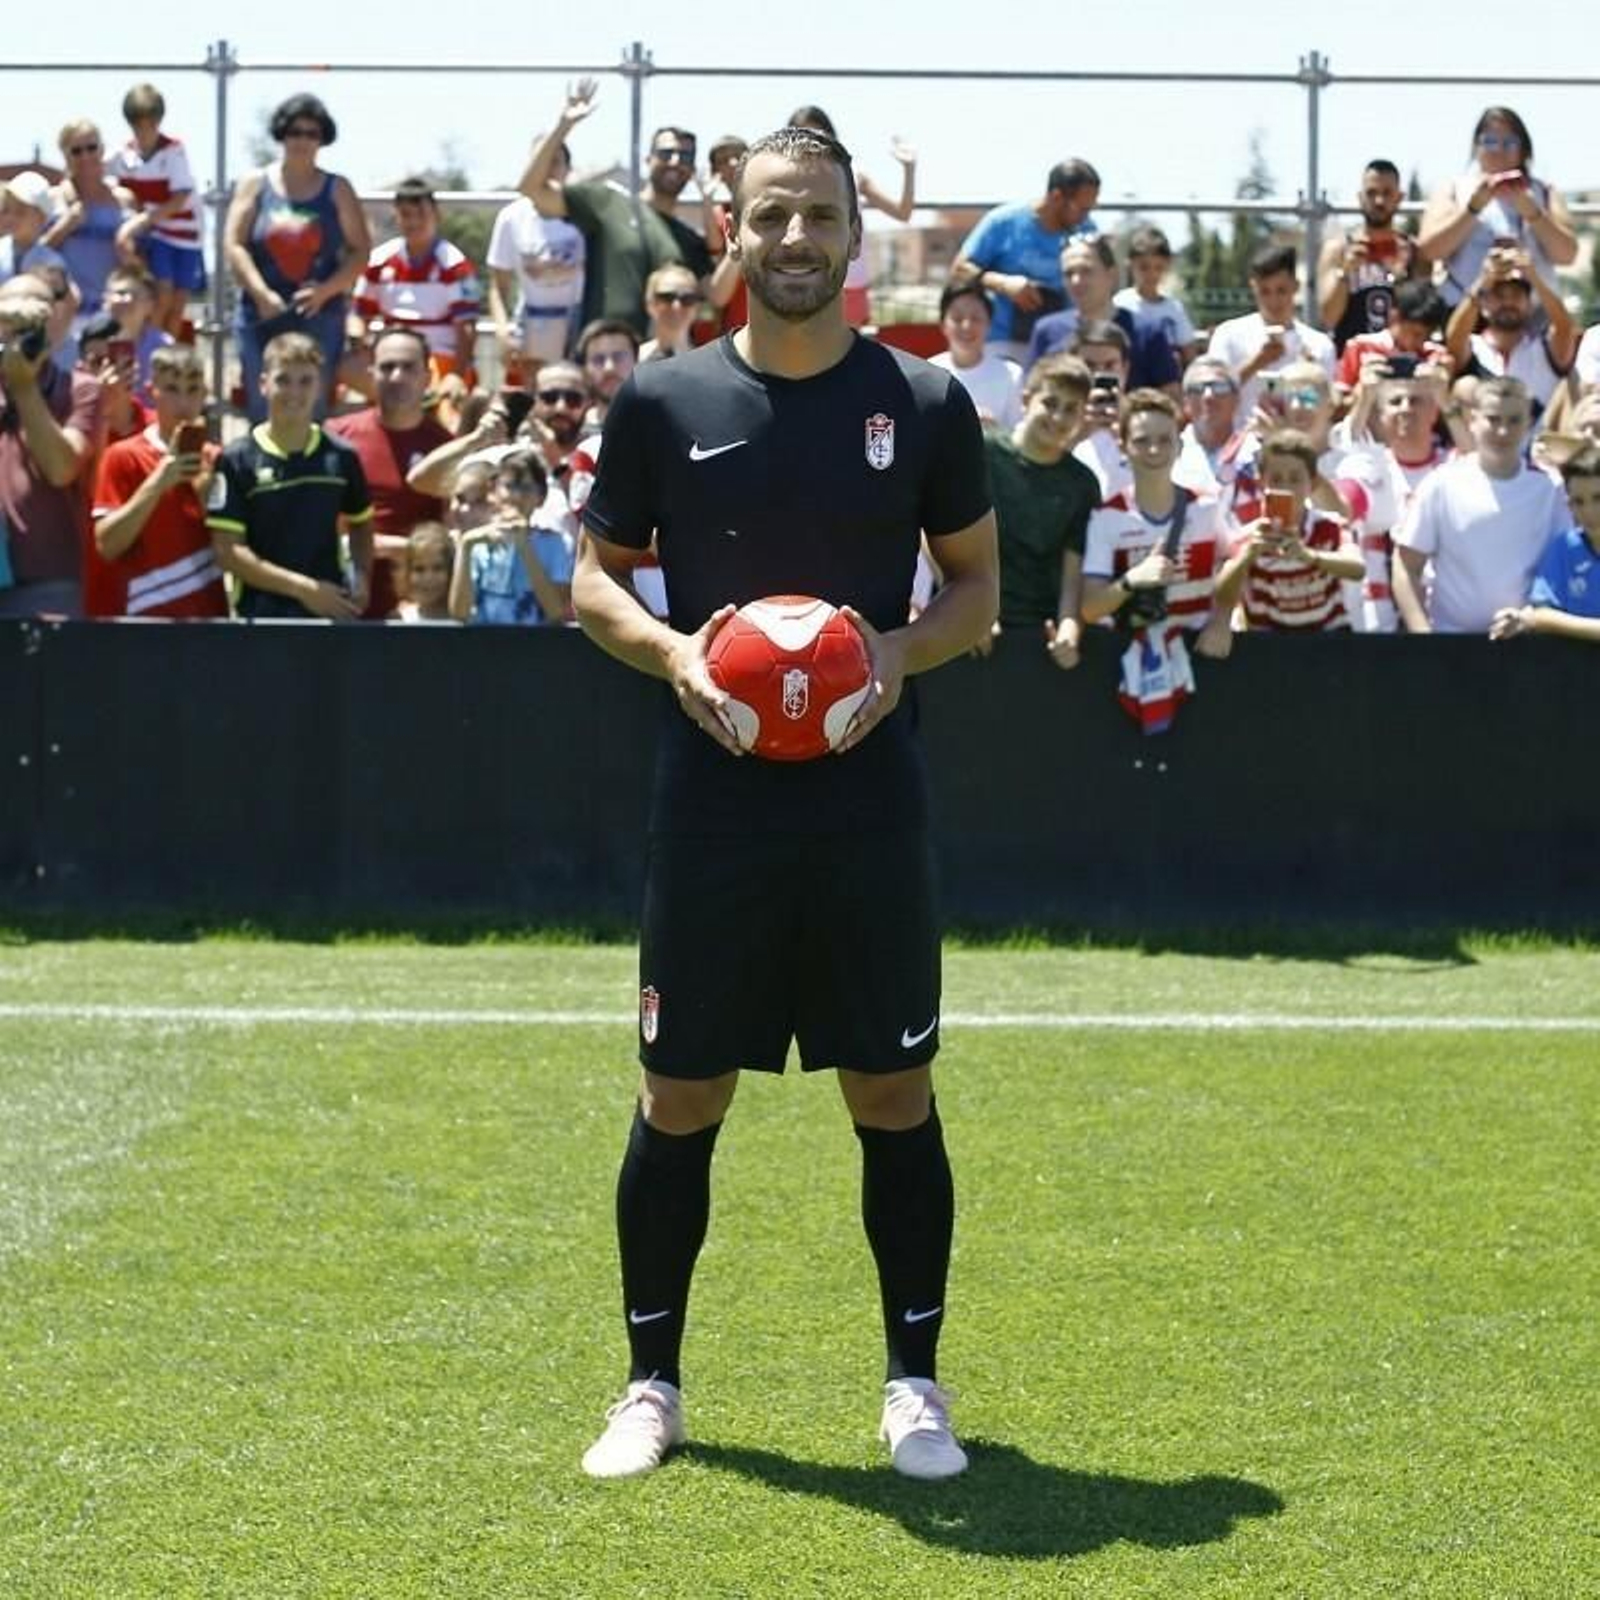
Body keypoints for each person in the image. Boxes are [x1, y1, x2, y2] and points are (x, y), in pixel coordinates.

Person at [570, 124, 997, 1481]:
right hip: (713, 804)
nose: (795, 238)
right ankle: (649, 1385)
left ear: (855, 231)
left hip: (869, 805)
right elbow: (592, 578)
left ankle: (915, 1386)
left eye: (817, 215)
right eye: (770, 215)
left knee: (893, 1089)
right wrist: (674, 652)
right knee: (679, 1093)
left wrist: (897, 652)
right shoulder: (662, 399)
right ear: (730, 230)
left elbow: (978, 590)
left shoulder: (923, 401)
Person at [1080, 389, 1236, 732]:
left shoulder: (1207, 508)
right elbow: (1089, 608)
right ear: (1123, 446)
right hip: (1124, 664)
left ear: (1179, 446)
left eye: (1164, 440)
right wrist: (1132, 580)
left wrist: (1222, 618)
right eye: (1142, 440)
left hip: (1201, 657)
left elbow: (1233, 565)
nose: (1154, 450)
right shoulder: (1106, 517)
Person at [517, 79, 717, 339]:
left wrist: (713, 206)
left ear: (692, 170)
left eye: (686, 157)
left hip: (661, 359)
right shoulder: (607, 202)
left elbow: (716, 294)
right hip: (602, 354)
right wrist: (564, 124)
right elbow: (531, 188)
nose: (675, 162)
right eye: (666, 153)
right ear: (648, 159)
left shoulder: (688, 239)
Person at [223, 94, 371, 422]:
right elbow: (234, 244)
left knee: (312, 409)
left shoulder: (337, 188)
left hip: (319, 314)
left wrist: (326, 291)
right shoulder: (255, 184)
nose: (302, 141)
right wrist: (261, 294)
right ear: (281, 134)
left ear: (322, 139)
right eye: (295, 132)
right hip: (260, 315)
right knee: (262, 407)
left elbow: (360, 250)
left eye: (311, 133)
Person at [206, 331, 373, 619]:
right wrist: (305, 590)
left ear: (320, 386)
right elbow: (228, 552)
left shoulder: (342, 455)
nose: (294, 392)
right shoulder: (236, 459)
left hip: (329, 613)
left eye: (305, 381)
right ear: (263, 384)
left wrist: (361, 576)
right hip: (262, 619)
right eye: (283, 380)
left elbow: (361, 524)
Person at [1392, 377, 1566, 634]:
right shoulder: (1442, 483)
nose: (1503, 431)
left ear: (1529, 423)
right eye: (1493, 419)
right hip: (1452, 640)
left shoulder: (1551, 488)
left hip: (1526, 641)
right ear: (1473, 420)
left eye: (1514, 420)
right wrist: (1423, 636)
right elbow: (1406, 565)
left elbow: (1565, 564)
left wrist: (1531, 619)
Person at [90, 342, 227, 619]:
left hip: (210, 621)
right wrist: (159, 481)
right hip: (147, 621)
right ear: (152, 391)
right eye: (172, 389)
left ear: (204, 395)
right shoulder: (123, 457)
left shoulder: (219, 460)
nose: (184, 403)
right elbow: (107, 545)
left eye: (193, 390)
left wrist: (206, 495)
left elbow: (233, 548)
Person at [326, 327, 453, 619]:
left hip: (418, 615)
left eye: (409, 368)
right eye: (387, 367)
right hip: (345, 605)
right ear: (371, 374)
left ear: (427, 378)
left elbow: (451, 536)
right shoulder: (337, 437)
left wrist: (399, 549)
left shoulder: (445, 447)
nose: (397, 377)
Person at [986, 352, 1097, 665]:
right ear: (1026, 400)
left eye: (1071, 409)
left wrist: (1069, 630)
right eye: (1050, 403)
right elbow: (933, 534)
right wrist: (968, 611)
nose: (1058, 417)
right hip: (974, 629)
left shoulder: (1082, 483)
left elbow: (1072, 572)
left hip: (1040, 634)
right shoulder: (982, 451)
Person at [0, 285, 103, 617]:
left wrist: (24, 387)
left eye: (25, 331)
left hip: (47, 582)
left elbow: (61, 469)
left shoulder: (80, 389)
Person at [1417, 106, 1578, 311]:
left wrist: (1534, 214)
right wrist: (1472, 209)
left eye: (1509, 143)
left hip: (1533, 314)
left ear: (1523, 149)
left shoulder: (1545, 192)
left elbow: (1567, 255)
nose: (1499, 151)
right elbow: (1429, 250)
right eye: (1490, 142)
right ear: (1477, 147)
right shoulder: (1453, 189)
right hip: (1465, 312)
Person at [949, 158, 1101, 358]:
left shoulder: (1086, 230)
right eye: (1082, 209)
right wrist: (1003, 284)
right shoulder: (1003, 222)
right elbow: (959, 269)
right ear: (1056, 197)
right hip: (1002, 344)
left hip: (1062, 343)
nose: (1086, 217)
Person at [1220, 429, 1363, 633]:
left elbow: (1357, 569)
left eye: (1295, 479)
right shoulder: (1248, 537)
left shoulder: (1330, 526)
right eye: (1276, 479)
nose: (1286, 486)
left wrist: (1307, 556)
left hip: (1327, 638)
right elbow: (1221, 594)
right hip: (1268, 643)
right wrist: (1248, 556)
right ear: (1260, 482)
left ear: (1312, 483)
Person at [787, 105, 917, 327]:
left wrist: (909, 169)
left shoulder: (854, 175)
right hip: (807, 280)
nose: (811, 141)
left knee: (849, 346)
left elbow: (902, 213)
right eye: (803, 134)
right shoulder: (784, 179)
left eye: (818, 133)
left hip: (852, 283)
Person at [351, 178, 482, 380]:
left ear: (436, 215)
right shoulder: (379, 260)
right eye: (406, 215)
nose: (413, 222)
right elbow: (358, 315)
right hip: (390, 355)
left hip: (438, 356)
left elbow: (467, 327)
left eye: (421, 214)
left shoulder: (455, 264)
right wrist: (359, 345)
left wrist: (456, 377)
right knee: (343, 368)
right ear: (396, 217)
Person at [106, 83, 206, 336]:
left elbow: (180, 197)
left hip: (187, 235)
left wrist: (139, 222)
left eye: (149, 124)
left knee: (178, 302)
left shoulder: (174, 150)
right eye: (137, 125)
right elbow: (100, 176)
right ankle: (150, 348)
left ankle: (166, 349)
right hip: (158, 235)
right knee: (162, 295)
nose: (144, 132)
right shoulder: (122, 156)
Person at [486, 141, 586, 382]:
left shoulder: (585, 214)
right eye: (541, 161)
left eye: (556, 161)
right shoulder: (512, 217)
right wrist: (502, 331)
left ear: (568, 169)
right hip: (532, 320)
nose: (548, 169)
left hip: (578, 320)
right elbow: (498, 286)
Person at [1443, 244, 1576, 420]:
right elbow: (1453, 336)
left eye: (1516, 296)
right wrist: (1484, 279)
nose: (1508, 303)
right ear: (1484, 304)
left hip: (1539, 436)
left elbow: (1565, 326)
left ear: (1529, 304)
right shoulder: (1473, 346)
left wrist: (1534, 276)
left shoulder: (1546, 348)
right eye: (1499, 296)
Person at [1206, 244, 1335, 418]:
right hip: (1242, 433)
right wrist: (1256, 363)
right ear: (1253, 288)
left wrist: (1310, 374)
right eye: (1264, 291)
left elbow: (1326, 407)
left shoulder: (1319, 344)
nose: (1273, 301)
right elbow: (1214, 393)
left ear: (1296, 286)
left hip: (1296, 434)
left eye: (1281, 291)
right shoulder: (1228, 335)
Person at [448, 445, 572, 625]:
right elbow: (460, 612)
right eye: (510, 486)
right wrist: (466, 547)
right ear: (493, 491)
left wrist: (523, 544)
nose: (516, 496)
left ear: (541, 496)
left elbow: (556, 613)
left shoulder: (553, 543)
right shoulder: (477, 542)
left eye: (526, 488)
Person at [1490, 447, 1600, 644]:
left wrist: (1543, 621)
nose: (1590, 511)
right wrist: (1525, 619)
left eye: (1598, 499)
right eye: (1578, 502)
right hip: (1572, 663)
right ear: (1568, 505)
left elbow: (1540, 619)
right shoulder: (1565, 548)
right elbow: (1542, 613)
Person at [1316, 159, 1419, 355]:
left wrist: (1402, 277)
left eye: (1387, 193)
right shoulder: (1338, 250)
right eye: (1372, 193)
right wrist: (1345, 273)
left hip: (1398, 358)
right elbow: (1328, 318)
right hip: (1349, 359)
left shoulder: (1413, 250)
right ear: (1360, 197)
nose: (1379, 201)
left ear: (1399, 198)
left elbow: (1422, 318)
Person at [43, 120, 135, 337]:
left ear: (102, 150)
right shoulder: (53, 200)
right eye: (76, 151)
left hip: (114, 314)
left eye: (91, 148)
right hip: (66, 316)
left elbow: (139, 264)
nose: (85, 156)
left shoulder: (124, 200)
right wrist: (64, 227)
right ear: (65, 156)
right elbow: (34, 255)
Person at [1023, 236, 1144, 378]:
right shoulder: (1047, 331)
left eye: (1086, 271)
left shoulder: (1145, 332)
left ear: (1111, 275)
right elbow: (1031, 388)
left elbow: (1164, 390)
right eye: (1068, 274)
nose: (1076, 281)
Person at [1113, 224, 1200, 386]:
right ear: (1130, 264)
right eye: (1144, 267)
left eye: (1158, 267)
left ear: (1167, 265)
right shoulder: (1120, 304)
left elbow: (1188, 352)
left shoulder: (1174, 308)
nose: (1151, 274)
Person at [928, 281, 1022, 428]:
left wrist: (994, 430)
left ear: (989, 324)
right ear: (943, 325)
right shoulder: (928, 372)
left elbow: (1017, 434)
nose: (967, 326)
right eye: (957, 318)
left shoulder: (1012, 375)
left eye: (976, 318)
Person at [576, 318, 639, 430]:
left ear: (637, 362)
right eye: (598, 359)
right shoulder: (572, 432)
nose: (609, 368)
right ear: (584, 369)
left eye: (619, 357)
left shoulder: (662, 428)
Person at [390, 521, 457, 623]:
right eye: (419, 569)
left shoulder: (466, 618)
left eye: (438, 568)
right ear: (406, 573)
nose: (428, 578)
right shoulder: (400, 619)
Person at [638, 264, 704, 362]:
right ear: (650, 303)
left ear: (697, 307)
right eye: (667, 297)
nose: (676, 306)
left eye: (687, 299)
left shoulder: (707, 363)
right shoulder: (632, 359)